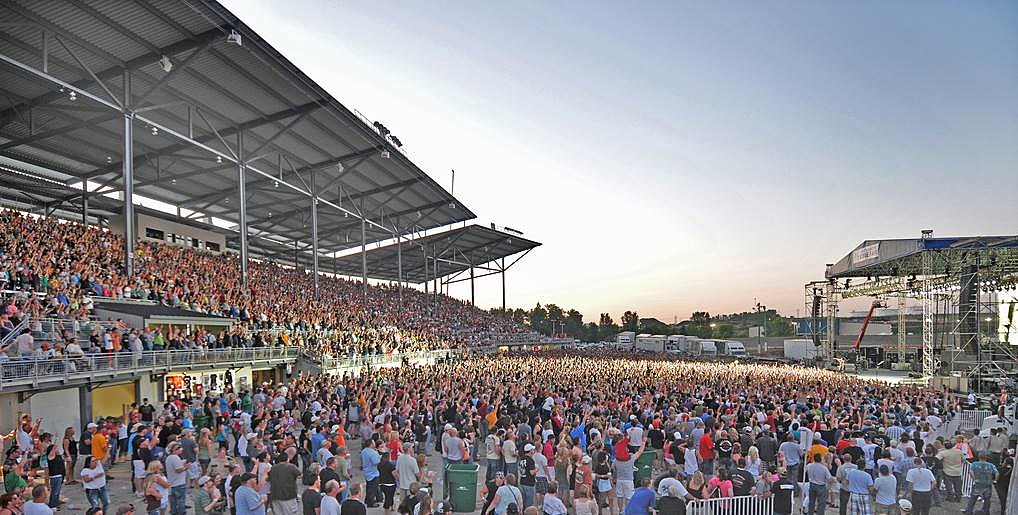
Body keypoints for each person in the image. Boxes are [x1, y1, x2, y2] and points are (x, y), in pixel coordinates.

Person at [164, 442, 188, 515]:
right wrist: (186, 467)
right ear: (175, 450)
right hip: (179, 483)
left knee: (173, 501)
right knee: (181, 500)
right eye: (179, 448)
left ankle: (174, 512)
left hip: (172, 483)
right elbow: (178, 470)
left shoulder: (168, 458)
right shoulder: (175, 457)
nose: (181, 449)